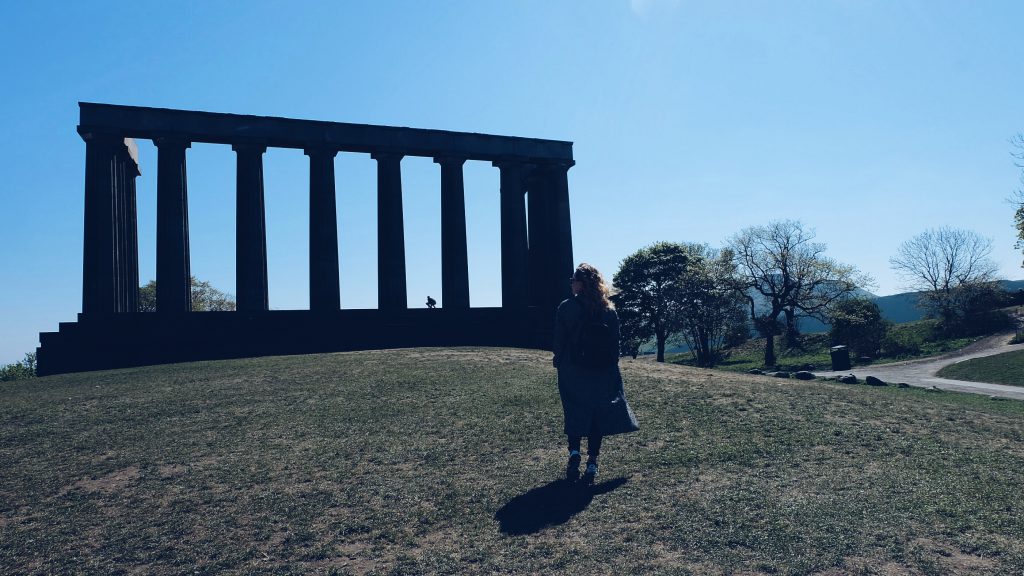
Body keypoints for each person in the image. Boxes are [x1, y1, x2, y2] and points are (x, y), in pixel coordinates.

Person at [553, 263, 639, 485]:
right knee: (596, 416)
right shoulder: (608, 310)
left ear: (581, 283)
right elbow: (614, 344)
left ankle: (574, 454)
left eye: (573, 279)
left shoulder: (566, 307)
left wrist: (559, 362)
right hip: (602, 371)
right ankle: (592, 463)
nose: (570, 283)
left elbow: (559, 341)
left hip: (573, 369)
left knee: (575, 410)